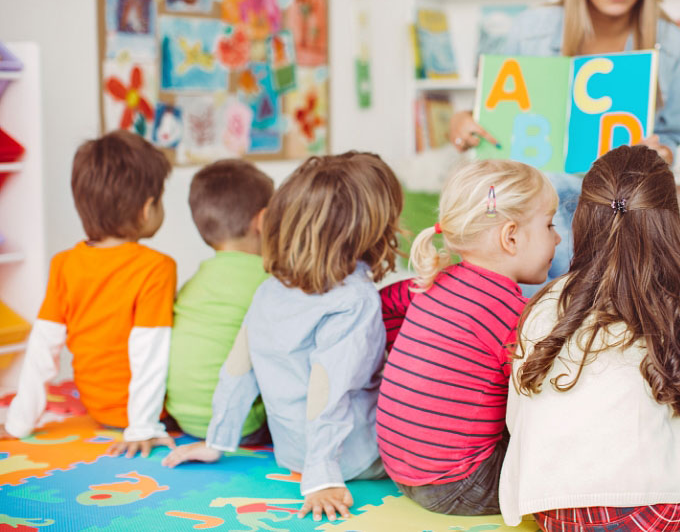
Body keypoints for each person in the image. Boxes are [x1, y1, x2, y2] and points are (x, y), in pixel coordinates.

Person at [162, 152, 404, 523]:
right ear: (371, 229)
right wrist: (321, 475)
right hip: (348, 458)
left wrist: (218, 439)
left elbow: (239, 366)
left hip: (290, 451)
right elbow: (329, 387)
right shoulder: (355, 299)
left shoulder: (271, 288)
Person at [450, 0, 680, 287]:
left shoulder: (671, 43)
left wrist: (659, 156)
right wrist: (464, 122)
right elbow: (492, 116)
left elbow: (671, 136)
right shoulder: (530, 31)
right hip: (526, 236)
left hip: (618, 234)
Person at [499, 145, 680, 531]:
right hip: (652, 509)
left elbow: (519, 418)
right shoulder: (677, 302)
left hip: (556, 510)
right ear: (670, 224)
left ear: (582, 219)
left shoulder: (545, 303)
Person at [376, 159, 560, 516]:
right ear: (510, 237)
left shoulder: (428, 283)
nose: (558, 237)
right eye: (550, 225)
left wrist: (423, 357)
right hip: (459, 485)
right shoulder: (510, 313)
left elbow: (381, 307)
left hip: (399, 468)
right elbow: (542, 396)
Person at [3, 130, 176, 458]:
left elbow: (43, 347)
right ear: (147, 209)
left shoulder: (64, 265)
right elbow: (149, 351)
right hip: (145, 414)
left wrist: (19, 421)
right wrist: (141, 426)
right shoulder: (156, 267)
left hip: (96, 407)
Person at [164, 159, 274, 443]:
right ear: (262, 221)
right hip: (242, 425)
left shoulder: (195, 282)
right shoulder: (269, 280)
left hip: (183, 416)